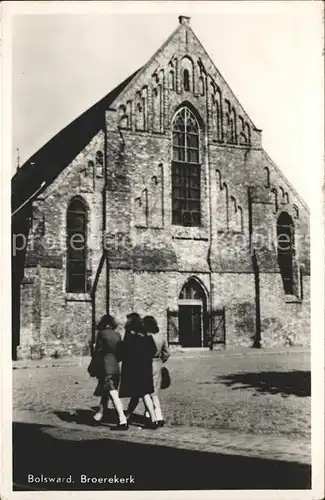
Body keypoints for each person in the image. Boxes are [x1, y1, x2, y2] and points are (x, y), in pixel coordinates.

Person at [127, 315, 170, 427]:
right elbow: (166, 353)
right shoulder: (161, 337)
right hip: (157, 364)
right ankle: (159, 416)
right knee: (155, 393)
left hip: (146, 365)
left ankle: (149, 416)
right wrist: (161, 361)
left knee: (145, 391)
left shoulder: (145, 337)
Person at [118, 313, 158, 429]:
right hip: (145, 367)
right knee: (138, 394)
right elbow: (153, 350)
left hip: (134, 369)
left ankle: (153, 419)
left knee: (143, 393)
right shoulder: (146, 336)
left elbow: (124, 352)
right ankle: (128, 415)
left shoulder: (131, 337)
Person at [92, 314, 128, 430]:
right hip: (116, 366)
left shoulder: (101, 334)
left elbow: (98, 351)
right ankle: (99, 415)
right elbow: (121, 353)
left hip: (105, 365)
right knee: (106, 391)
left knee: (112, 393)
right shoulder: (117, 335)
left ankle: (122, 420)